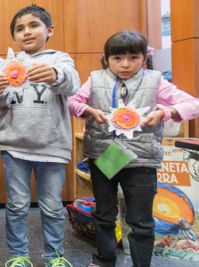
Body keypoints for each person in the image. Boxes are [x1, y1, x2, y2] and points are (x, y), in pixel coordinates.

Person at [67, 30, 199, 267]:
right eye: (117, 58)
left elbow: (193, 104)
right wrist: (89, 111)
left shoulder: (156, 81)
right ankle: (104, 260)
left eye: (133, 58)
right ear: (106, 58)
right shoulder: (95, 79)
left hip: (142, 161)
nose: (125, 64)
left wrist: (164, 112)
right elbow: (72, 102)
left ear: (144, 58)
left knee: (141, 220)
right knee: (104, 214)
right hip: (104, 156)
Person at [0, 5, 80, 267]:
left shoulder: (59, 59)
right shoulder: (8, 63)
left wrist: (55, 75)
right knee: (16, 206)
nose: (26, 32)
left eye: (33, 25)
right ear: (14, 38)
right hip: (14, 146)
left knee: (51, 207)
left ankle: (54, 256)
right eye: (20, 29)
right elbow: (1, 101)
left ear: (48, 30)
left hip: (52, 147)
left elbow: (73, 83)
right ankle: (18, 255)